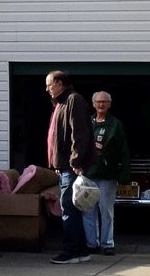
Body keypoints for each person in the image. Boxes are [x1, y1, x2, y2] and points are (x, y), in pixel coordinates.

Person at [45, 70, 95, 265]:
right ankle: (81, 251)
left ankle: (71, 251)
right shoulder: (61, 103)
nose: (47, 89)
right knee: (72, 208)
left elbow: (79, 133)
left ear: (59, 83)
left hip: (72, 166)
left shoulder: (73, 100)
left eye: (49, 84)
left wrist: (75, 161)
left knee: (68, 208)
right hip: (65, 165)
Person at [82, 91, 131, 256]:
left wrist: (124, 173)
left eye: (104, 102)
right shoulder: (87, 122)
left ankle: (107, 244)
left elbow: (123, 151)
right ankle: (91, 243)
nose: (101, 105)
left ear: (110, 104)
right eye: (98, 102)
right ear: (93, 103)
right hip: (88, 173)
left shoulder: (115, 124)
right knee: (88, 210)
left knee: (106, 210)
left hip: (107, 174)